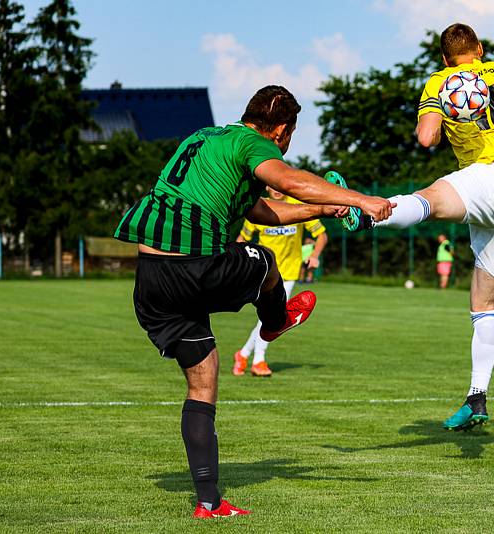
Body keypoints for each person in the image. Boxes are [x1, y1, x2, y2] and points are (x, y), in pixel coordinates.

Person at [113, 85, 392, 519]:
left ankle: (208, 502)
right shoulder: (253, 143)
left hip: (152, 277)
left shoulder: (204, 138)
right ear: (280, 129)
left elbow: (262, 211)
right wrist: (360, 200)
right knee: (263, 260)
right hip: (194, 263)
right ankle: (277, 320)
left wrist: (322, 210)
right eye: (290, 134)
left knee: (203, 381)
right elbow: (289, 181)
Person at [339, 23, 494, 430]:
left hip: (489, 178)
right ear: (480, 48)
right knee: (483, 305)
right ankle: (477, 397)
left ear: (444, 58)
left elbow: (426, 138)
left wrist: (442, 108)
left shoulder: (440, 81)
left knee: (430, 200)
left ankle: (365, 214)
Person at [234, 187, 328, 376]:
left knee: (272, 316)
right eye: (271, 185)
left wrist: (315, 255)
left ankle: (250, 357)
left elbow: (322, 235)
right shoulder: (259, 206)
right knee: (271, 317)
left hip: (289, 272)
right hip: (264, 273)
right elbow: (242, 239)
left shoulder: (298, 207)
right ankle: (250, 357)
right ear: (267, 186)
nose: (275, 189)